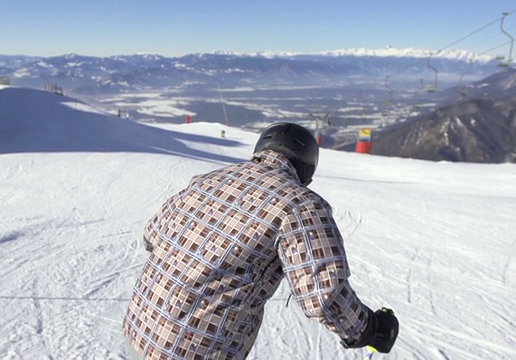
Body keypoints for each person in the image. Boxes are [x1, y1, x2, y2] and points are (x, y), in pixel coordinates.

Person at [123, 122, 399, 359]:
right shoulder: (300, 205)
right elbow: (323, 296)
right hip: (196, 351)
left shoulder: (207, 180)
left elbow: (151, 236)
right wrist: (369, 328)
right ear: (306, 169)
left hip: (141, 330)